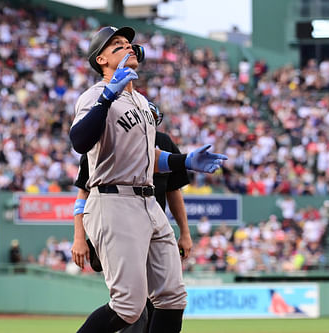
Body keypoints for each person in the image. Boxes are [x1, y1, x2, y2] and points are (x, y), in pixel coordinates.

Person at [69, 26, 227, 333]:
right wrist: (106, 97)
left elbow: (149, 158)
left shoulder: (142, 103)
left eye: (129, 43)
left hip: (149, 202)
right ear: (101, 59)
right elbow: (79, 141)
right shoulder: (92, 96)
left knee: (172, 297)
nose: (127, 47)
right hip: (113, 201)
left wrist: (186, 161)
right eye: (117, 45)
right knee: (128, 307)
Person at [71, 102, 192, 333]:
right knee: (132, 306)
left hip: (154, 226)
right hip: (120, 222)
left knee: (168, 299)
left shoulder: (163, 142)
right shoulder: (105, 141)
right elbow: (83, 193)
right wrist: (79, 237)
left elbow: (174, 190)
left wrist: (184, 233)